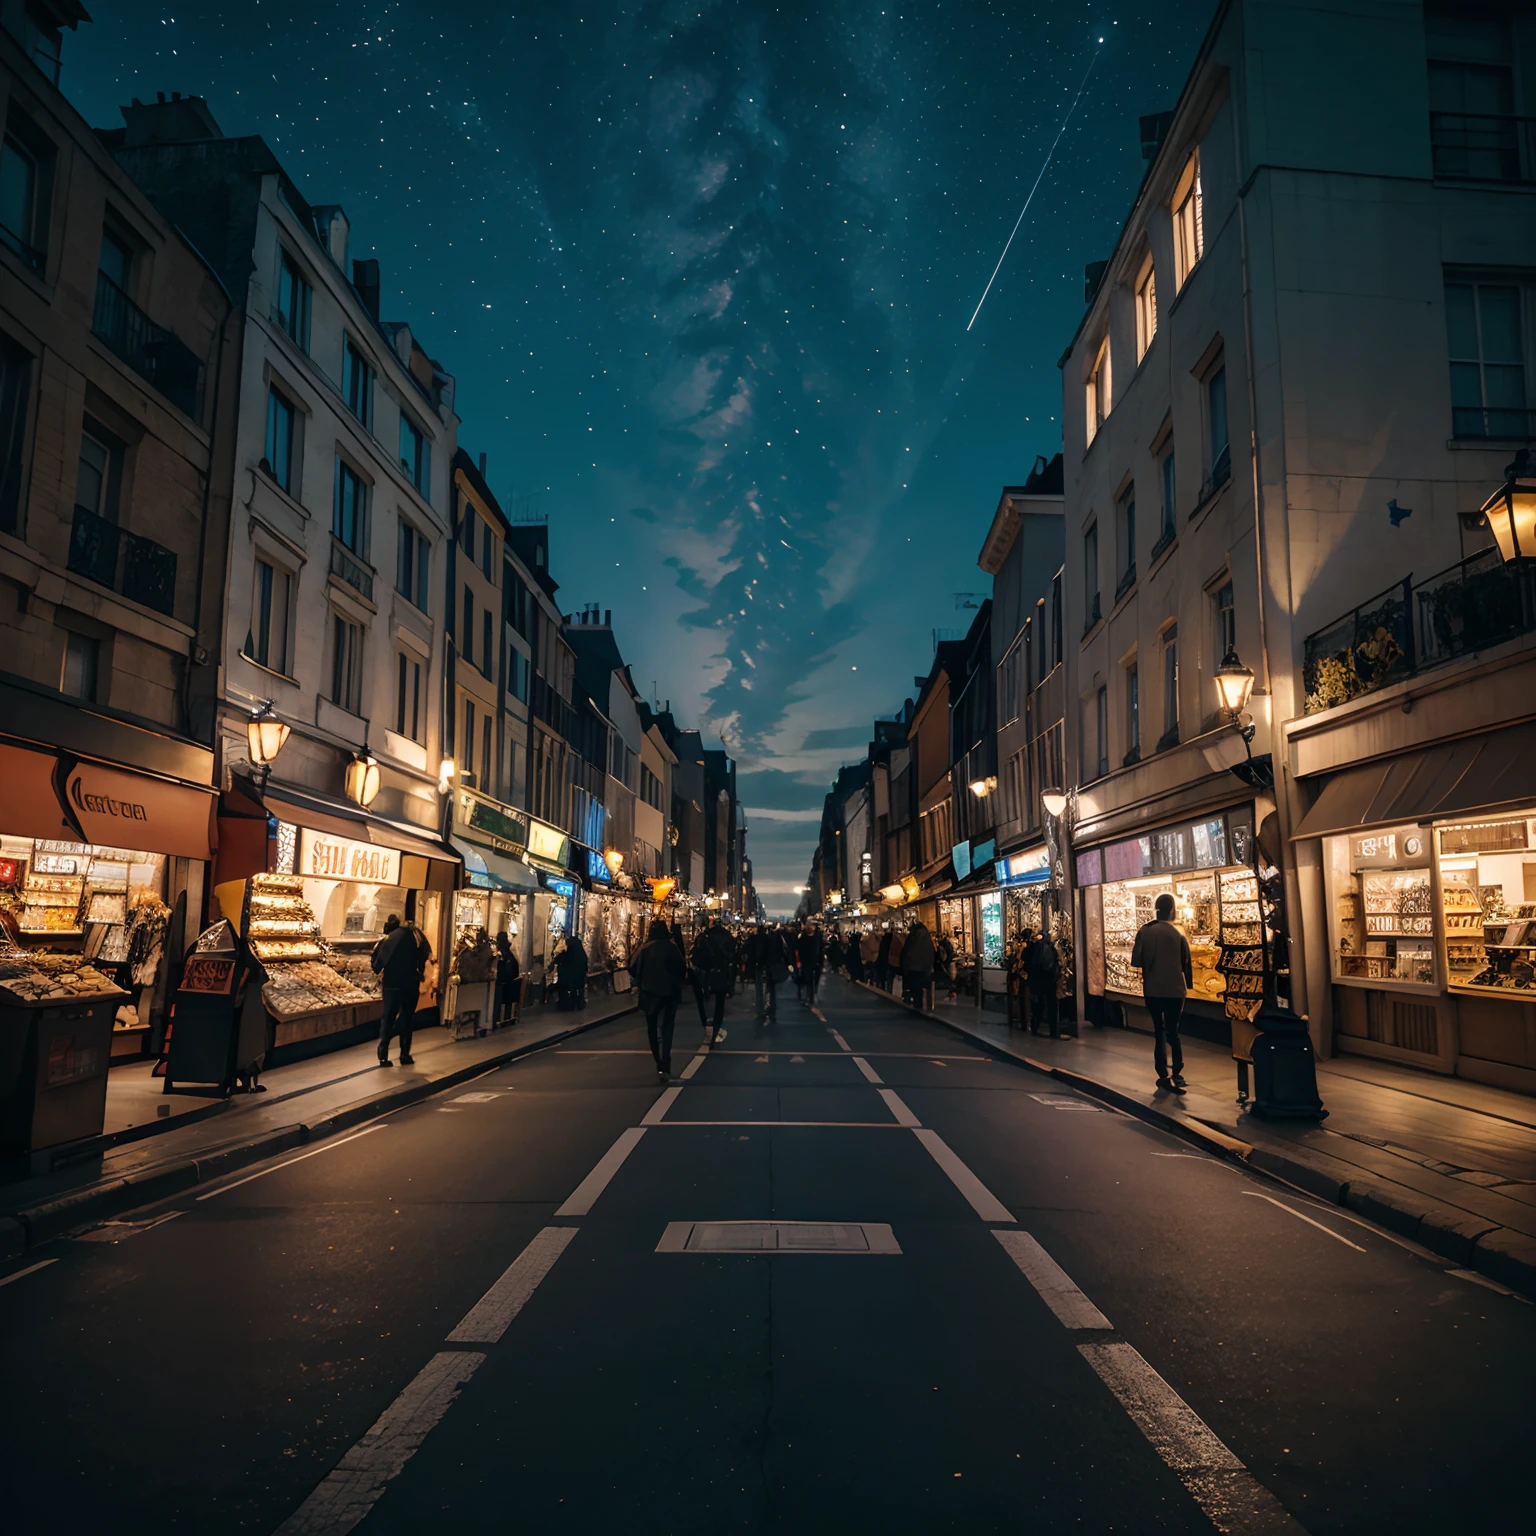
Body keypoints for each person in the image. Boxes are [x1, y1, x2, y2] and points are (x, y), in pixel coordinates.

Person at [1130, 892, 1193, 1091]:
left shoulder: (1145, 931)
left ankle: (1162, 1073)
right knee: (1173, 1031)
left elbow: (1136, 961)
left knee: (1159, 1032)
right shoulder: (1178, 934)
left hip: (1153, 990)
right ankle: (1178, 1071)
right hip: (1175, 990)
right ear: (1172, 910)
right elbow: (1186, 965)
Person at [632, 918, 686, 1080]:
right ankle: (666, 1060)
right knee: (667, 1027)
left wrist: (642, 981)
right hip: (669, 993)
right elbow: (681, 969)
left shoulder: (645, 949)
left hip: (649, 993)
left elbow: (632, 967)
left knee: (652, 1028)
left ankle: (657, 1059)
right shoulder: (672, 948)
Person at [373, 912, 424, 1066]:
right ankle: (404, 1054)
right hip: (410, 983)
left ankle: (384, 1051)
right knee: (407, 1018)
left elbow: (376, 964)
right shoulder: (415, 935)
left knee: (388, 1016)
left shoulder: (387, 939)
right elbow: (423, 955)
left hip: (391, 984)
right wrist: (419, 972)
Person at [692, 917, 736, 1046]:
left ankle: (708, 1027)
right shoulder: (728, 936)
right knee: (720, 1003)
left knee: (705, 1002)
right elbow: (732, 954)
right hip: (722, 973)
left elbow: (697, 956)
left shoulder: (704, 937)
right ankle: (716, 1028)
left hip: (706, 974)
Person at [1027, 926, 1061, 1037]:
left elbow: (1028, 962)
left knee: (1037, 1005)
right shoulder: (1050, 947)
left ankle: (1035, 1028)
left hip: (1037, 981)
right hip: (1049, 980)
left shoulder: (1034, 947)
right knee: (1051, 1005)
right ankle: (1053, 1031)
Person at [759, 923, 791, 1022]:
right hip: (776, 965)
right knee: (774, 991)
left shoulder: (766, 939)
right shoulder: (779, 939)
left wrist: (760, 963)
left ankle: (767, 1008)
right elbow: (784, 951)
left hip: (768, 966)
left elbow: (762, 953)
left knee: (768, 989)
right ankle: (772, 1010)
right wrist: (788, 963)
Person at [902, 919, 935, 1011]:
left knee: (915, 988)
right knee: (923, 987)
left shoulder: (913, 937)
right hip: (924, 968)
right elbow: (931, 954)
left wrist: (905, 966)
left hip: (913, 967)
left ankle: (916, 1004)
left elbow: (906, 952)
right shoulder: (927, 939)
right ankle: (924, 1005)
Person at [494, 930, 521, 1027]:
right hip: (512, 982)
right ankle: (507, 1017)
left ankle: (499, 1018)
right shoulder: (509, 951)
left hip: (505, 982)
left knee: (499, 997)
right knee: (508, 1001)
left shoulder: (503, 953)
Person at [795, 922, 825, 1007]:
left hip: (816, 962)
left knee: (815, 980)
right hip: (806, 962)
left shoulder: (817, 937)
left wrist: (821, 961)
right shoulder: (802, 937)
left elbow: (820, 949)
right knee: (807, 980)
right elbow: (798, 949)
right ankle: (808, 997)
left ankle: (812, 996)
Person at [556, 931, 589, 1011]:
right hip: (579, 979)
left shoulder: (568, 953)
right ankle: (579, 1004)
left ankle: (566, 1005)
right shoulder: (581, 954)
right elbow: (585, 965)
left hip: (567, 980)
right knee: (578, 989)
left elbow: (558, 960)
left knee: (565, 987)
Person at [936, 931, 957, 1001]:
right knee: (951, 979)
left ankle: (951, 993)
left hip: (948, 963)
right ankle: (951, 994)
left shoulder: (943, 944)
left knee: (950, 978)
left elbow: (944, 956)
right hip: (949, 962)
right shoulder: (947, 943)